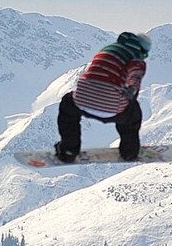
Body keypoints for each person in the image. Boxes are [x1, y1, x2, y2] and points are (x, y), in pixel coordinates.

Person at [56, 32, 151, 163]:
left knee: (68, 108)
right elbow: (135, 76)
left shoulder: (107, 50)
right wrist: (132, 91)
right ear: (141, 50)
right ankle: (129, 152)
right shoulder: (136, 59)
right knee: (132, 115)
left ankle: (68, 150)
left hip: (82, 100)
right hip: (112, 106)